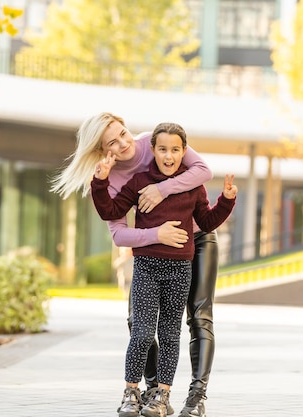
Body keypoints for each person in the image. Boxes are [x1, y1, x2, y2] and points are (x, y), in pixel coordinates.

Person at [50, 112, 226, 417]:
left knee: (198, 317)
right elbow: (118, 231)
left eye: (123, 133)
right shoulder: (114, 178)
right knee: (139, 325)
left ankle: (197, 397)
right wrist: (157, 234)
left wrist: (162, 189)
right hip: (153, 249)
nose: (123, 143)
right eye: (112, 142)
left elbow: (202, 170)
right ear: (101, 150)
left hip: (197, 239)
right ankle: (153, 392)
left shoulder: (153, 141)